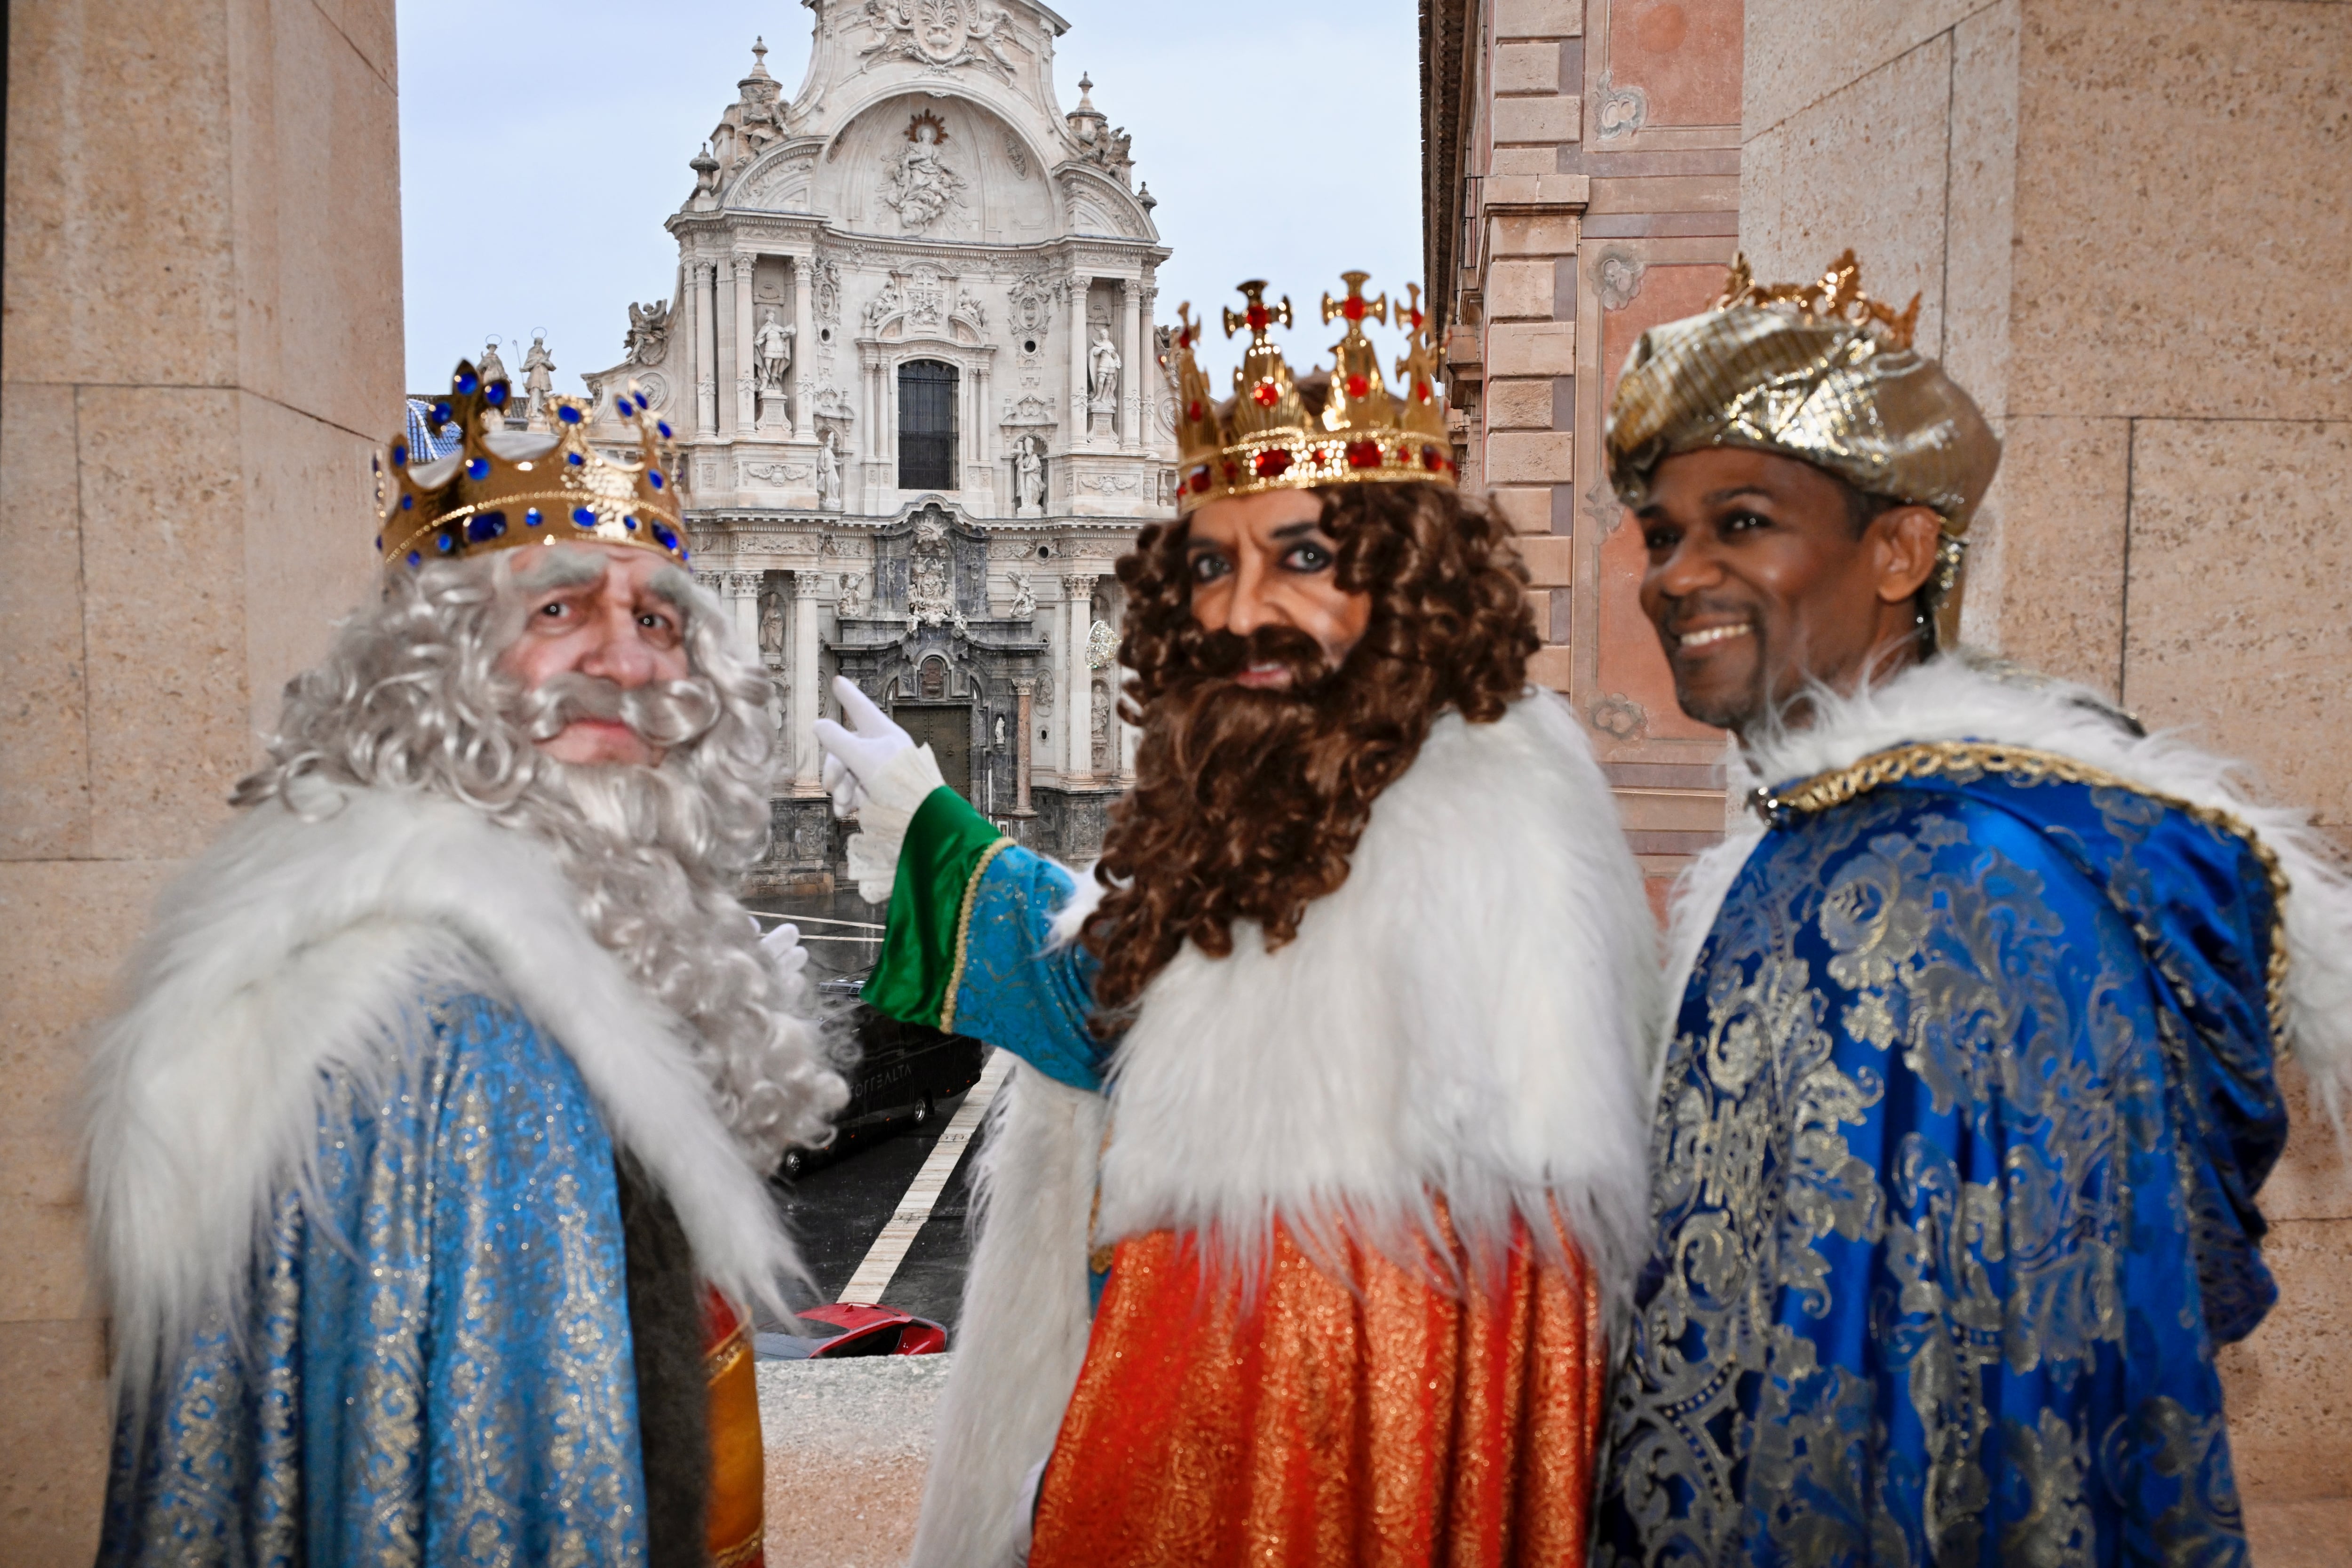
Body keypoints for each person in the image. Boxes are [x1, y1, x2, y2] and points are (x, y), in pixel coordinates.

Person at [817, 275, 1659, 1567]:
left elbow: (1382, 1322)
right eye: (1215, 561)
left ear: (1413, 582)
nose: (1244, 606)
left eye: (1306, 556)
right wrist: (941, 831)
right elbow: (1154, 1003)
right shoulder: (1292, 775)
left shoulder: (1488, 820)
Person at [1590, 252, 2352, 1565]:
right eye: (1664, 533)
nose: (1673, 574)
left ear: (1898, 550)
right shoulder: (1808, 843)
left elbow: (2031, 1376)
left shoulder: (1982, 880)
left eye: (1744, 521)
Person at [86, 361, 846, 1566]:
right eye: (558, 610)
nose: (629, 661)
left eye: (655, 618)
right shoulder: (468, 1034)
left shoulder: (490, 962)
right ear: (434, 668)